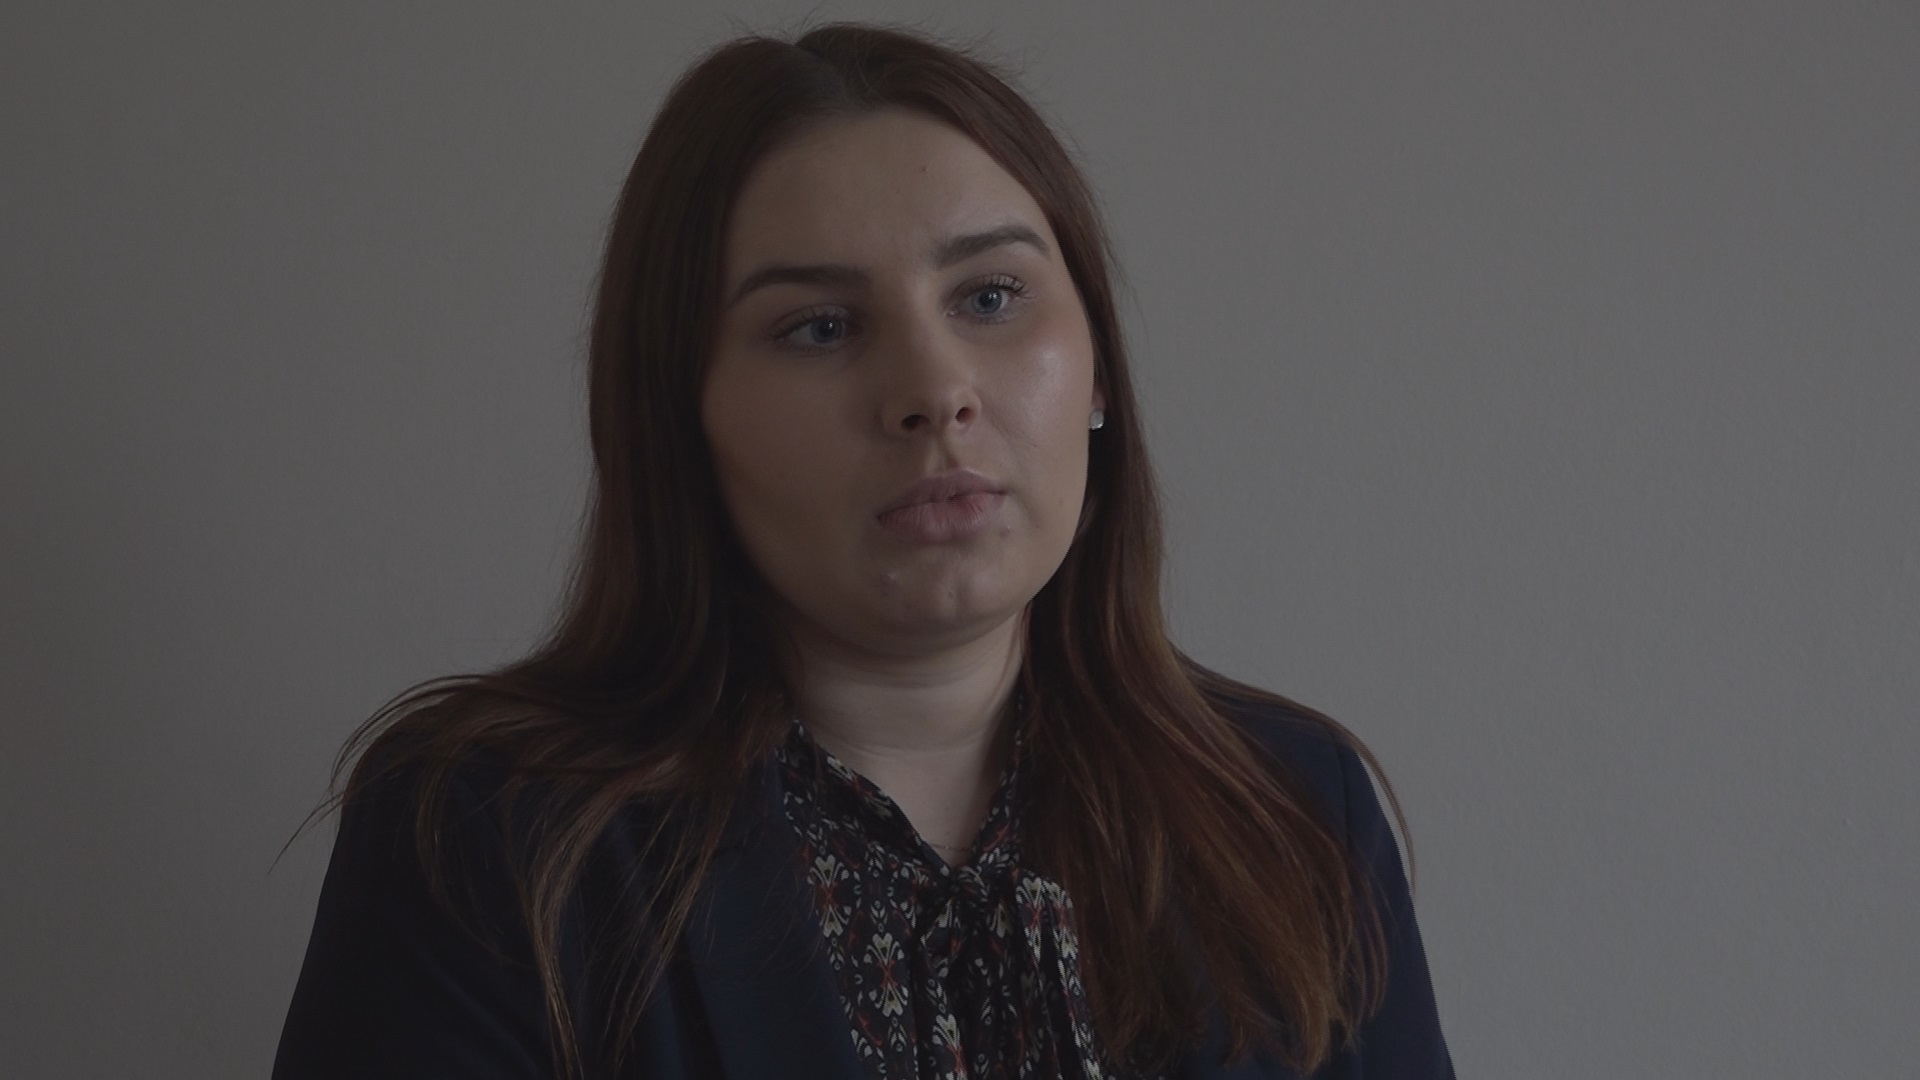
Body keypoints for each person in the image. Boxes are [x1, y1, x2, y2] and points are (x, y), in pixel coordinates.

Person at [272, 21, 1454, 1080]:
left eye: (991, 297)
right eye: (821, 326)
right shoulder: (488, 841)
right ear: (679, 415)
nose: (935, 390)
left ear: (1097, 369)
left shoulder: (1297, 811)